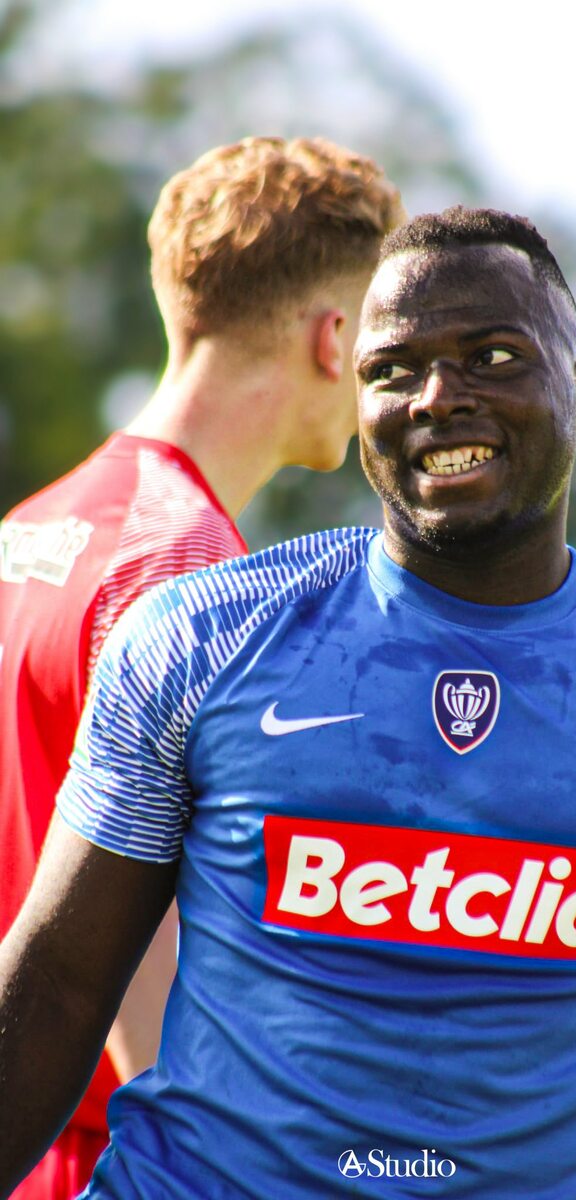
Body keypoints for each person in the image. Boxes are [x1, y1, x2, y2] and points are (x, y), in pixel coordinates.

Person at [1, 206, 576, 1200]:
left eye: (492, 356)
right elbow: (56, 985)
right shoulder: (197, 638)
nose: (437, 396)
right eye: (391, 369)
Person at [0, 134, 402, 1200]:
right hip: (108, 1161)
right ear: (334, 339)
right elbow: (147, 974)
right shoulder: (184, 575)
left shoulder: (28, 530)